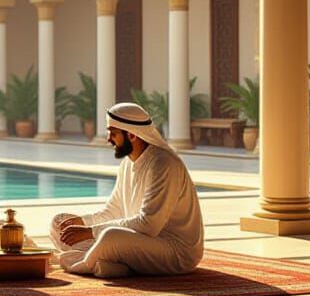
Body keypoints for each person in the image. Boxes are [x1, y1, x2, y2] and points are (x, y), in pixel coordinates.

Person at [49, 101, 205, 279]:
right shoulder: (128, 162)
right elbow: (114, 210)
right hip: (139, 241)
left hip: (174, 251)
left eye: (113, 133)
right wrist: (83, 222)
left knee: (110, 237)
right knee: (60, 222)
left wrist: (90, 231)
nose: (108, 139)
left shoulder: (163, 164)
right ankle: (108, 264)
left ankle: (87, 263)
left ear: (132, 135)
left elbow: (148, 225)